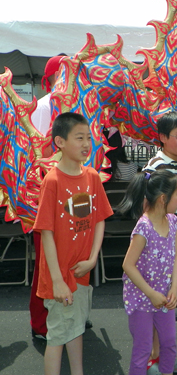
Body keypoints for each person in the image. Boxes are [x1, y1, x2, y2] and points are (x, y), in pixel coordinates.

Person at [33, 112, 113, 375]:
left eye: (89, 137)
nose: (86, 143)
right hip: (60, 277)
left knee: (76, 328)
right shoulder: (52, 181)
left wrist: (92, 258)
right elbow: (45, 232)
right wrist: (56, 279)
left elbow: (100, 219)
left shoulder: (91, 177)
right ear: (60, 142)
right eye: (79, 138)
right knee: (57, 337)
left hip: (82, 273)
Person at [142, 111, 177, 374]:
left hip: (170, 240)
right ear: (162, 138)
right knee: (158, 301)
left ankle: (160, 355)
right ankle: (155, 356)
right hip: (158, 244)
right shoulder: (160, 166)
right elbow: (148, 207)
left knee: (166, 301)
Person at [120, 170, 177, 375]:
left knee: (169, 343)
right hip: (142, 299)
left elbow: (175, 256)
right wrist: (151, 293)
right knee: (143, 350)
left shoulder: (173, 221)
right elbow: (128, 265)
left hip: (164, 296)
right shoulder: (143, 228)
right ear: (164, 198)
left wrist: (174, 287)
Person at [29, 55, 66, 341]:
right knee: (45, 260)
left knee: (71, 256)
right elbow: (38, 155)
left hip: (74, 192)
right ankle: (41, 323)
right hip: (46, 193)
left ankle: (69, 314)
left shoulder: (77, 106)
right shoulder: (43, 106)